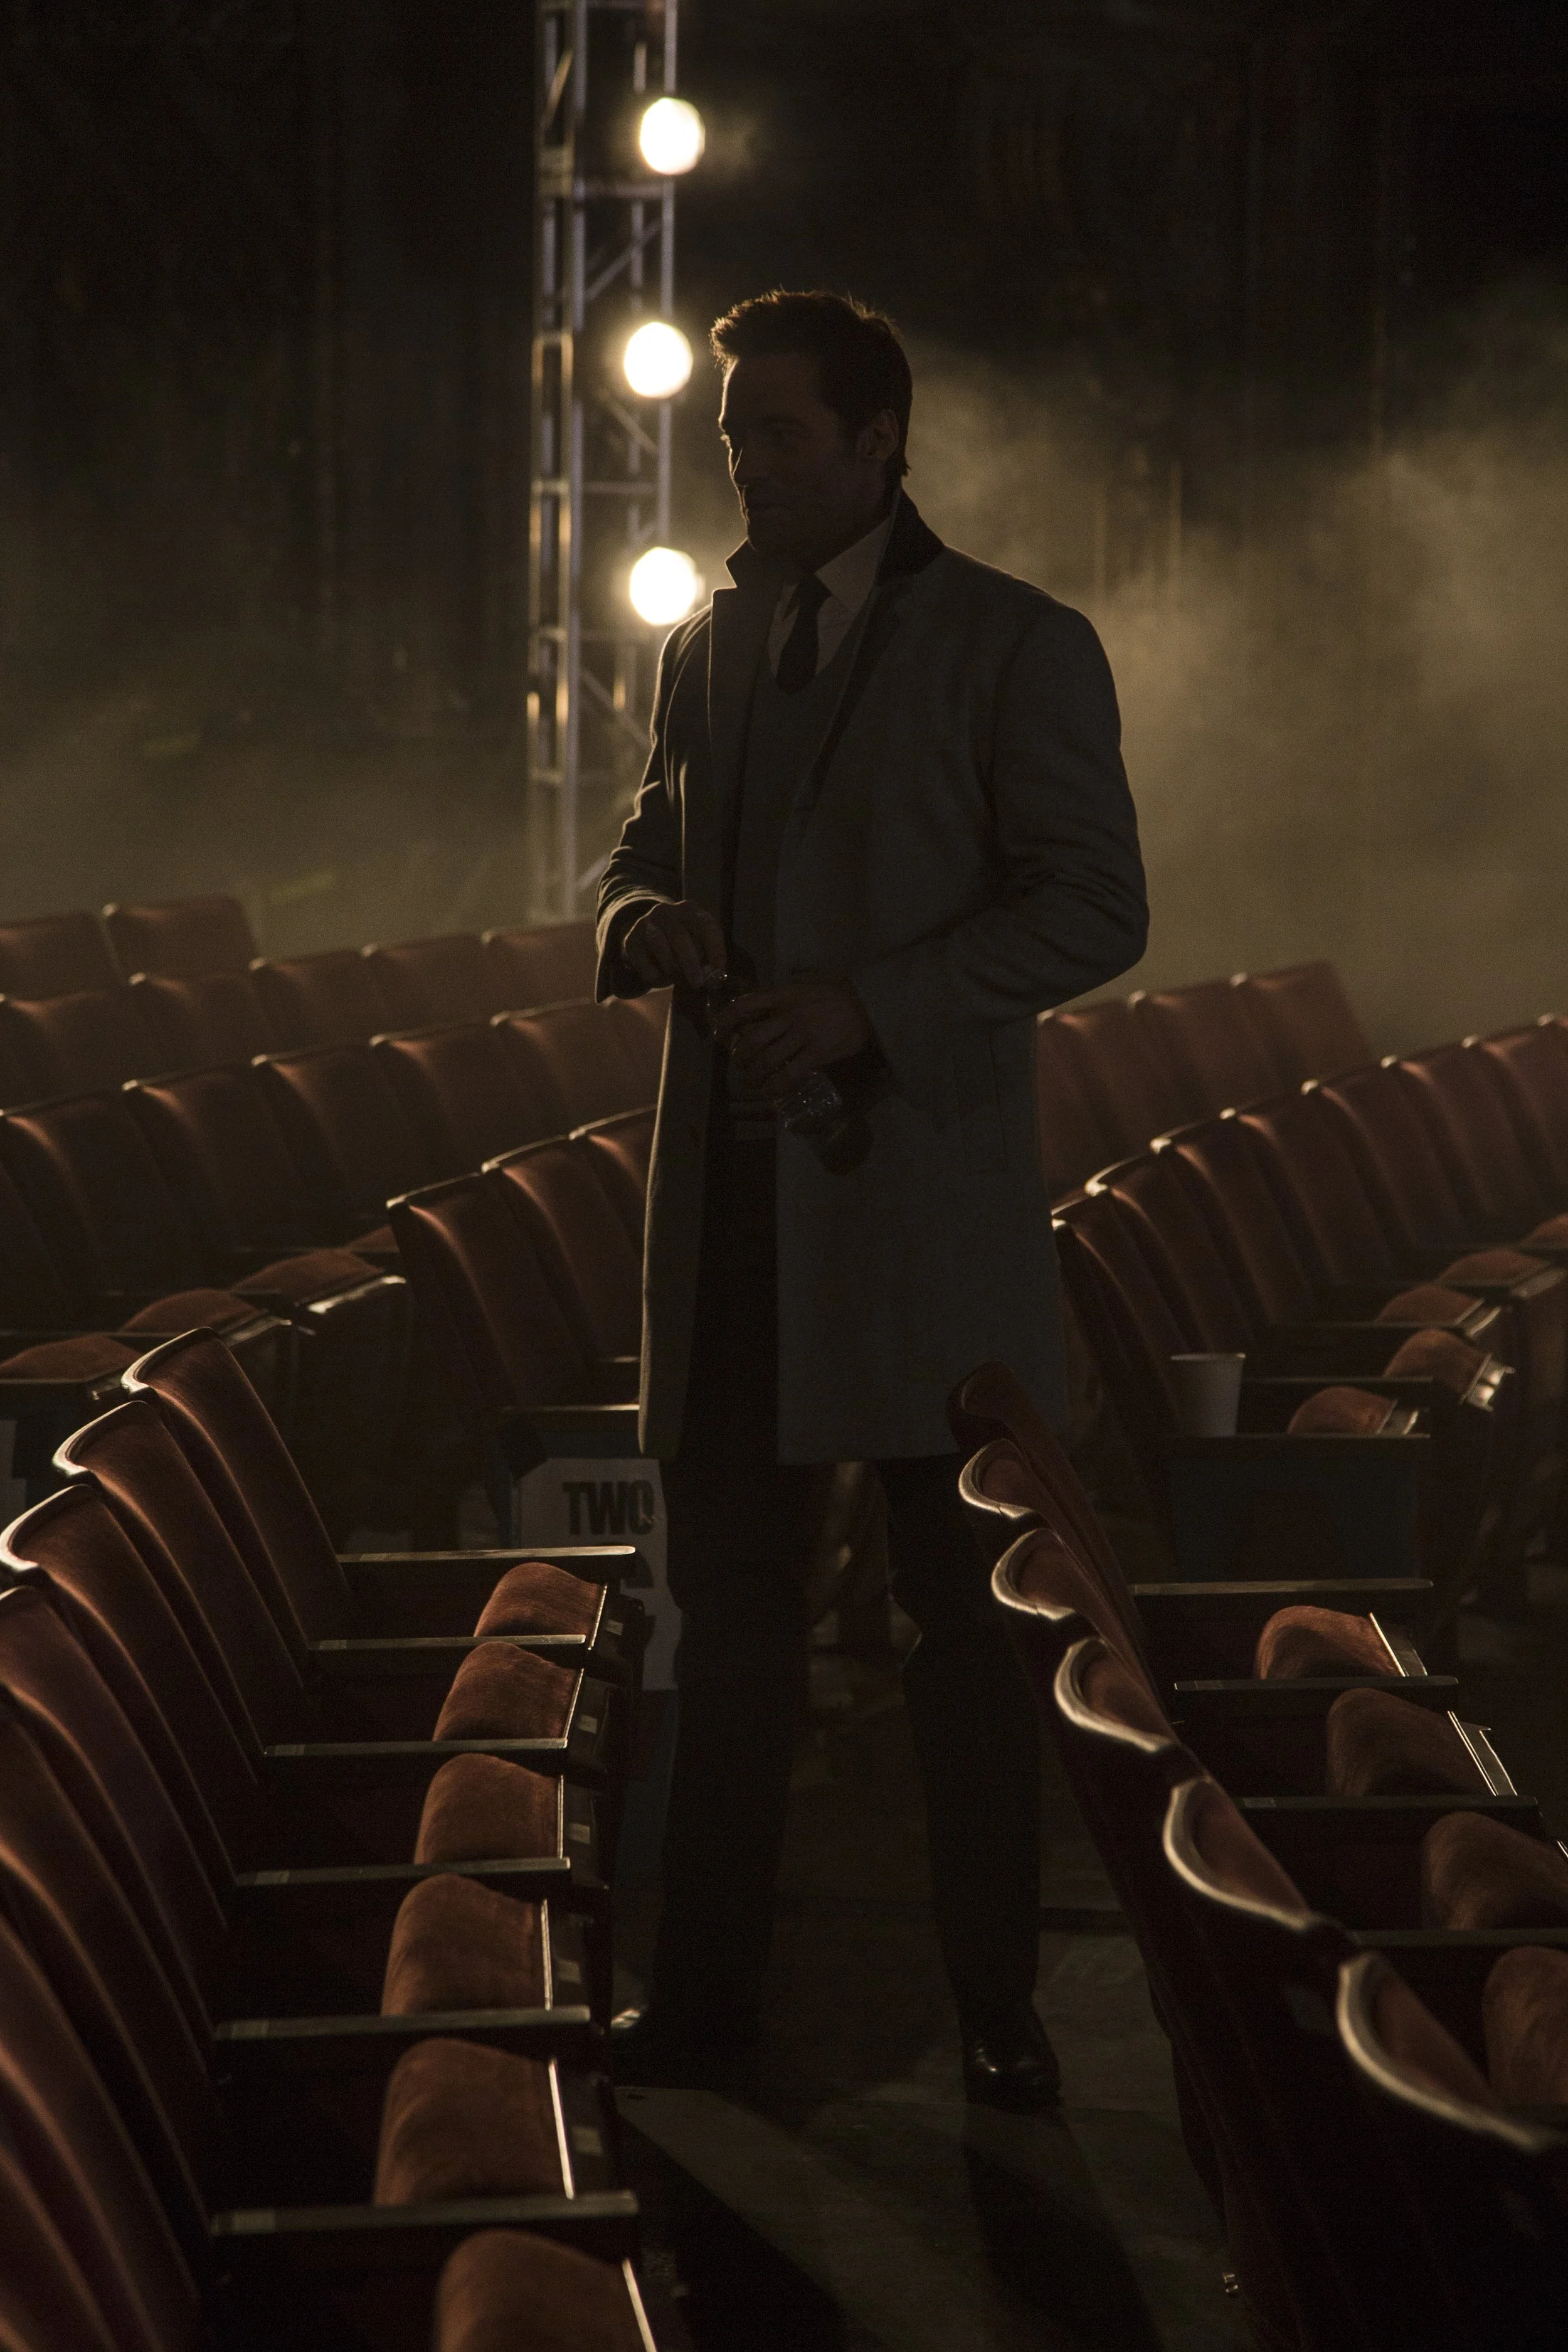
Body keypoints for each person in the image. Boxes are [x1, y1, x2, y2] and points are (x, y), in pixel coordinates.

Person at [596, 290, 1147, 2107]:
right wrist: (636, 919)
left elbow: (1094, 908)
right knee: (729, 1624)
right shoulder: (711, 639)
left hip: (911, 1214)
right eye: (734, 432)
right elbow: (638, 844)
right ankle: (701, 2002)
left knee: (964, 1636)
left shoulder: (1015, 642)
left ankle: (995, 2003)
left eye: (774, 433)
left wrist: (866, 1004)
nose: (741, 461)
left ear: (877, 439)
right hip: (739, 1211)